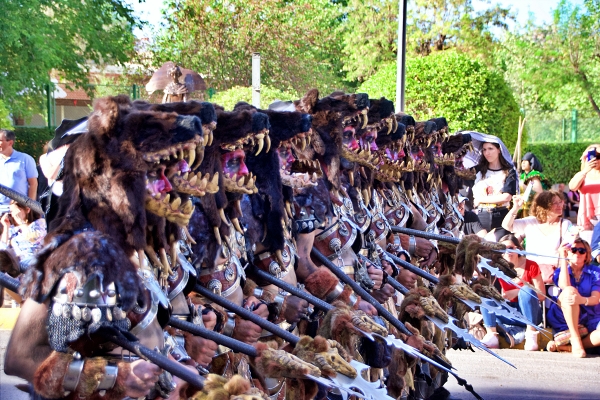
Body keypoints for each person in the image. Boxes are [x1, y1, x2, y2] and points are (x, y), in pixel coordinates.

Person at [479, 234, 545, 350]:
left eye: (510, 248)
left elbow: (542, 295)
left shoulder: (531, 265)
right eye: (503, 249)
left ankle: (531, 335)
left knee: (527, 290)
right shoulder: (498, 267)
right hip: (509, 312)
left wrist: (518, 292)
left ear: (518, 249)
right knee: (485, 292)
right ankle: (492, 335)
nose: (507, 252)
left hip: (530, 313)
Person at [502, 190, 575, 284]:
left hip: (554, 275)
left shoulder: (565, 224)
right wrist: (516, 207)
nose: (560, 205)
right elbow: (506, 225)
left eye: (560, 201)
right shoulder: (530, 222)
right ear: (543, 206)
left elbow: (569, 246)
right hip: (532, 274)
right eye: (554, 203)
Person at [546, 237, 600, 358]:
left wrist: (581, 300)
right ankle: (575, 339)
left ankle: (568, 347)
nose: (577, 253)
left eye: (582, 251)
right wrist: (563, 258)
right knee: (570, 291)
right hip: (565, 314)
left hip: (590, 315)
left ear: (587, 255)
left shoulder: (595, 272)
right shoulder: (560, 271)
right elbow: (565, 286)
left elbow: (595, 299)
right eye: (573, 250)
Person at [472, 141, 517, 233]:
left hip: (501, 215)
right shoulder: (477, 170)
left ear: (499, 150)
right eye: (484, 150)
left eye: (490, 149)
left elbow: (506, 197)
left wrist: (480, 199)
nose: (487, 153)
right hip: (480, 215)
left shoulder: (509, 171)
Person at [0, 129, 38, 214]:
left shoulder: (25, 159)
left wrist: (30, 205)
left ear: (10, 142)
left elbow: (33, 183)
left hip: (19, 209)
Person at [568, 144, 600, 232]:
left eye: (598, 156)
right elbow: (572, 187)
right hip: (587, 219)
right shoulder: (583, 175)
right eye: (591, 156)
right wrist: (585, 170)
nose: (595, 159)